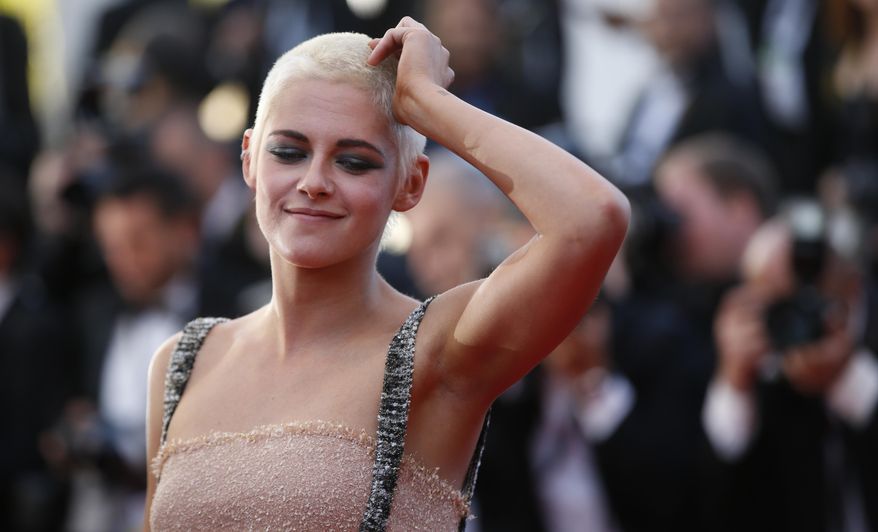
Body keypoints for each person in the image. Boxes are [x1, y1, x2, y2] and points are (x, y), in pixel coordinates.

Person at [143, 17, 629, 531]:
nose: (314, 182)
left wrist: (431, 106)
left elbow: (592, 219)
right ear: (248, 159)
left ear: (410, 184)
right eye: (288, 152)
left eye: (354, 162)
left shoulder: (438, 351)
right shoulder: (181, 364)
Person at [701, 205, 878, 531]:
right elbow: (717, 483)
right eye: (780, 306)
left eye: (809, 302)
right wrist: (734, 380)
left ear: (853, 287)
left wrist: (849, 378)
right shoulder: (763, 361)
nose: (796, 322)